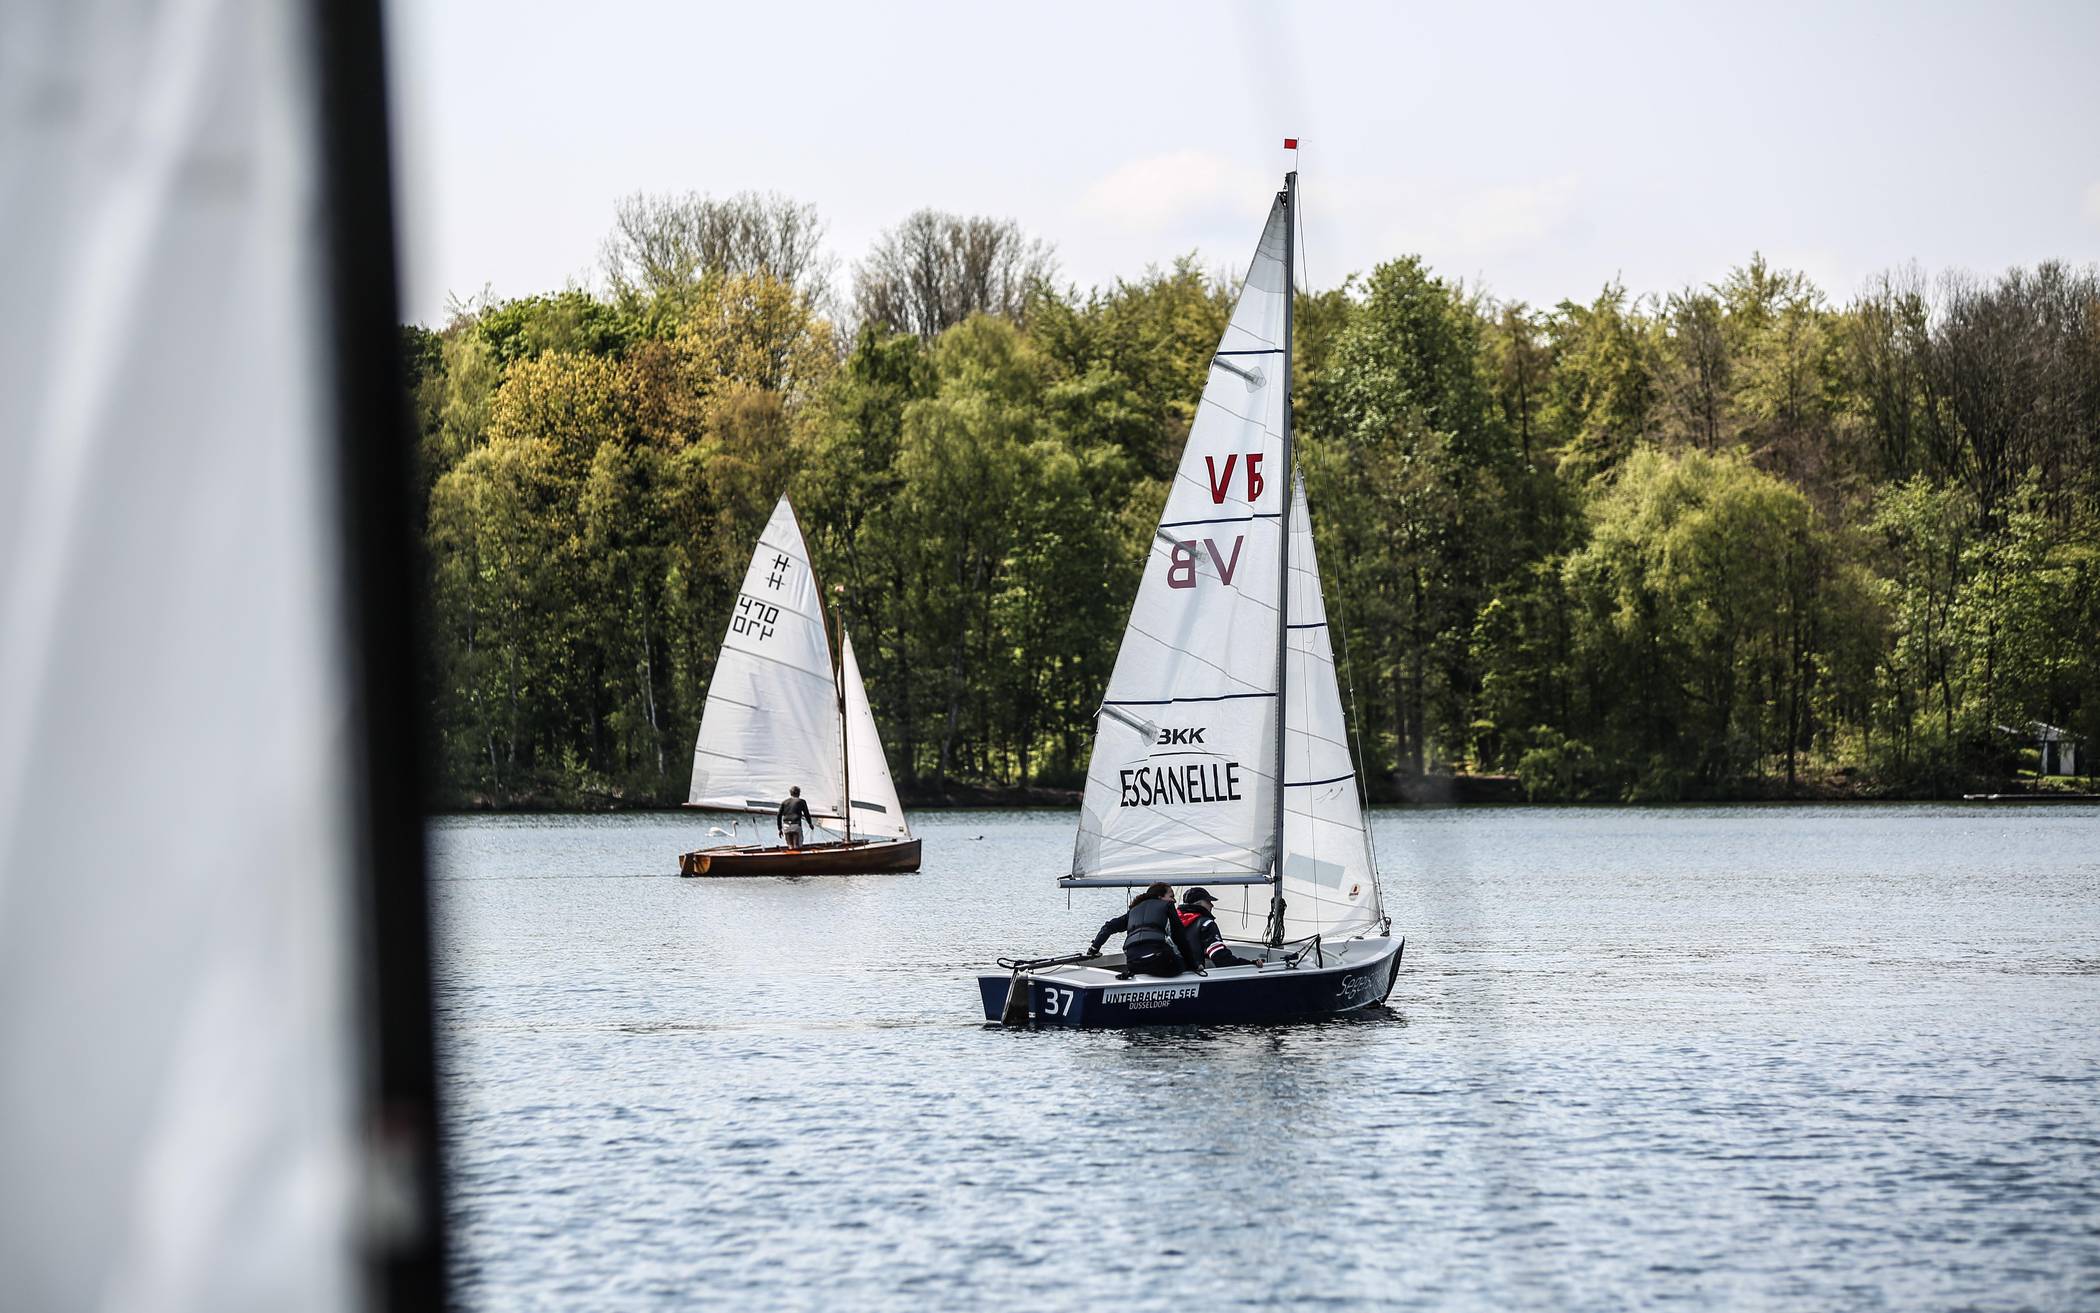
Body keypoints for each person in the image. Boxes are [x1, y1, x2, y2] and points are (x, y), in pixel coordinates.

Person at [1085, 881, 1197, 978]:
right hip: (1161, 962)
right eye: (1171, 896)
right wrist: (1194, 965)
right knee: (1183, 964)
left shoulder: (1133, 911)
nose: (1174, 901)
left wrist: (1094, 949)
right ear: (1160, 897)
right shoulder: (1167, 906)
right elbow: (1179, 936)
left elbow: (1108, 927)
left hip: (1134, 964)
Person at [1177, 887, 1254, 968]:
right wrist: (1248, 965)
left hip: (1176, 974)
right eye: (1208, 901)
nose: (1212, 905)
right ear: (1200, 903)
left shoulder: (1171, 922)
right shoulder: (1206, 923)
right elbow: (1221, 958)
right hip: (1198, 976)